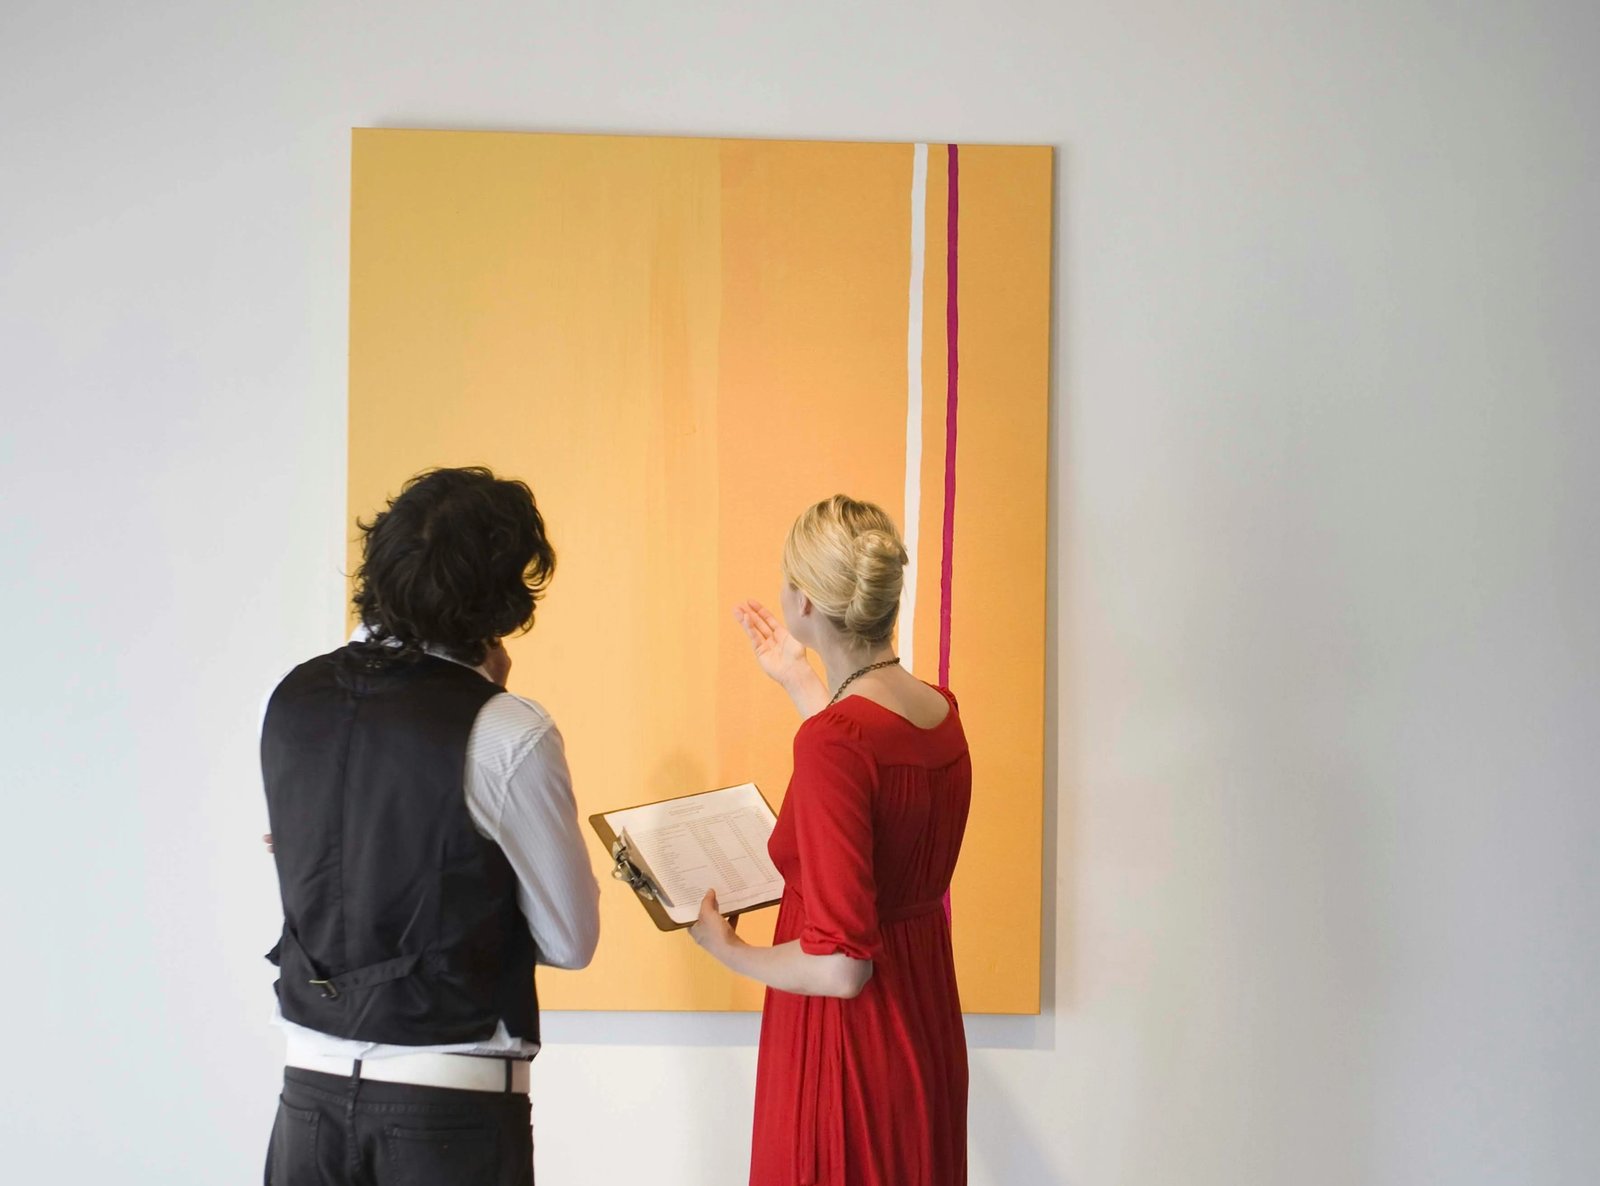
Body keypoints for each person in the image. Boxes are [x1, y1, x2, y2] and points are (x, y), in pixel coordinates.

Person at [259, 466, 600, 1186]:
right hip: (447, 1107)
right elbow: (570, 941)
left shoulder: (290, 698)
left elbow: (335, 877)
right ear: (502, 598)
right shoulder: (507, 729)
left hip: (307, 1098)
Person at [690, 494, 972, 1186]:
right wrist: (799, 680)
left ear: (805, 601)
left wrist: (728, 950)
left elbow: (843, 968)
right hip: (925, 1025)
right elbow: (875, 773)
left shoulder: (834, 743)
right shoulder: (940, 712)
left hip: (848, 1052)